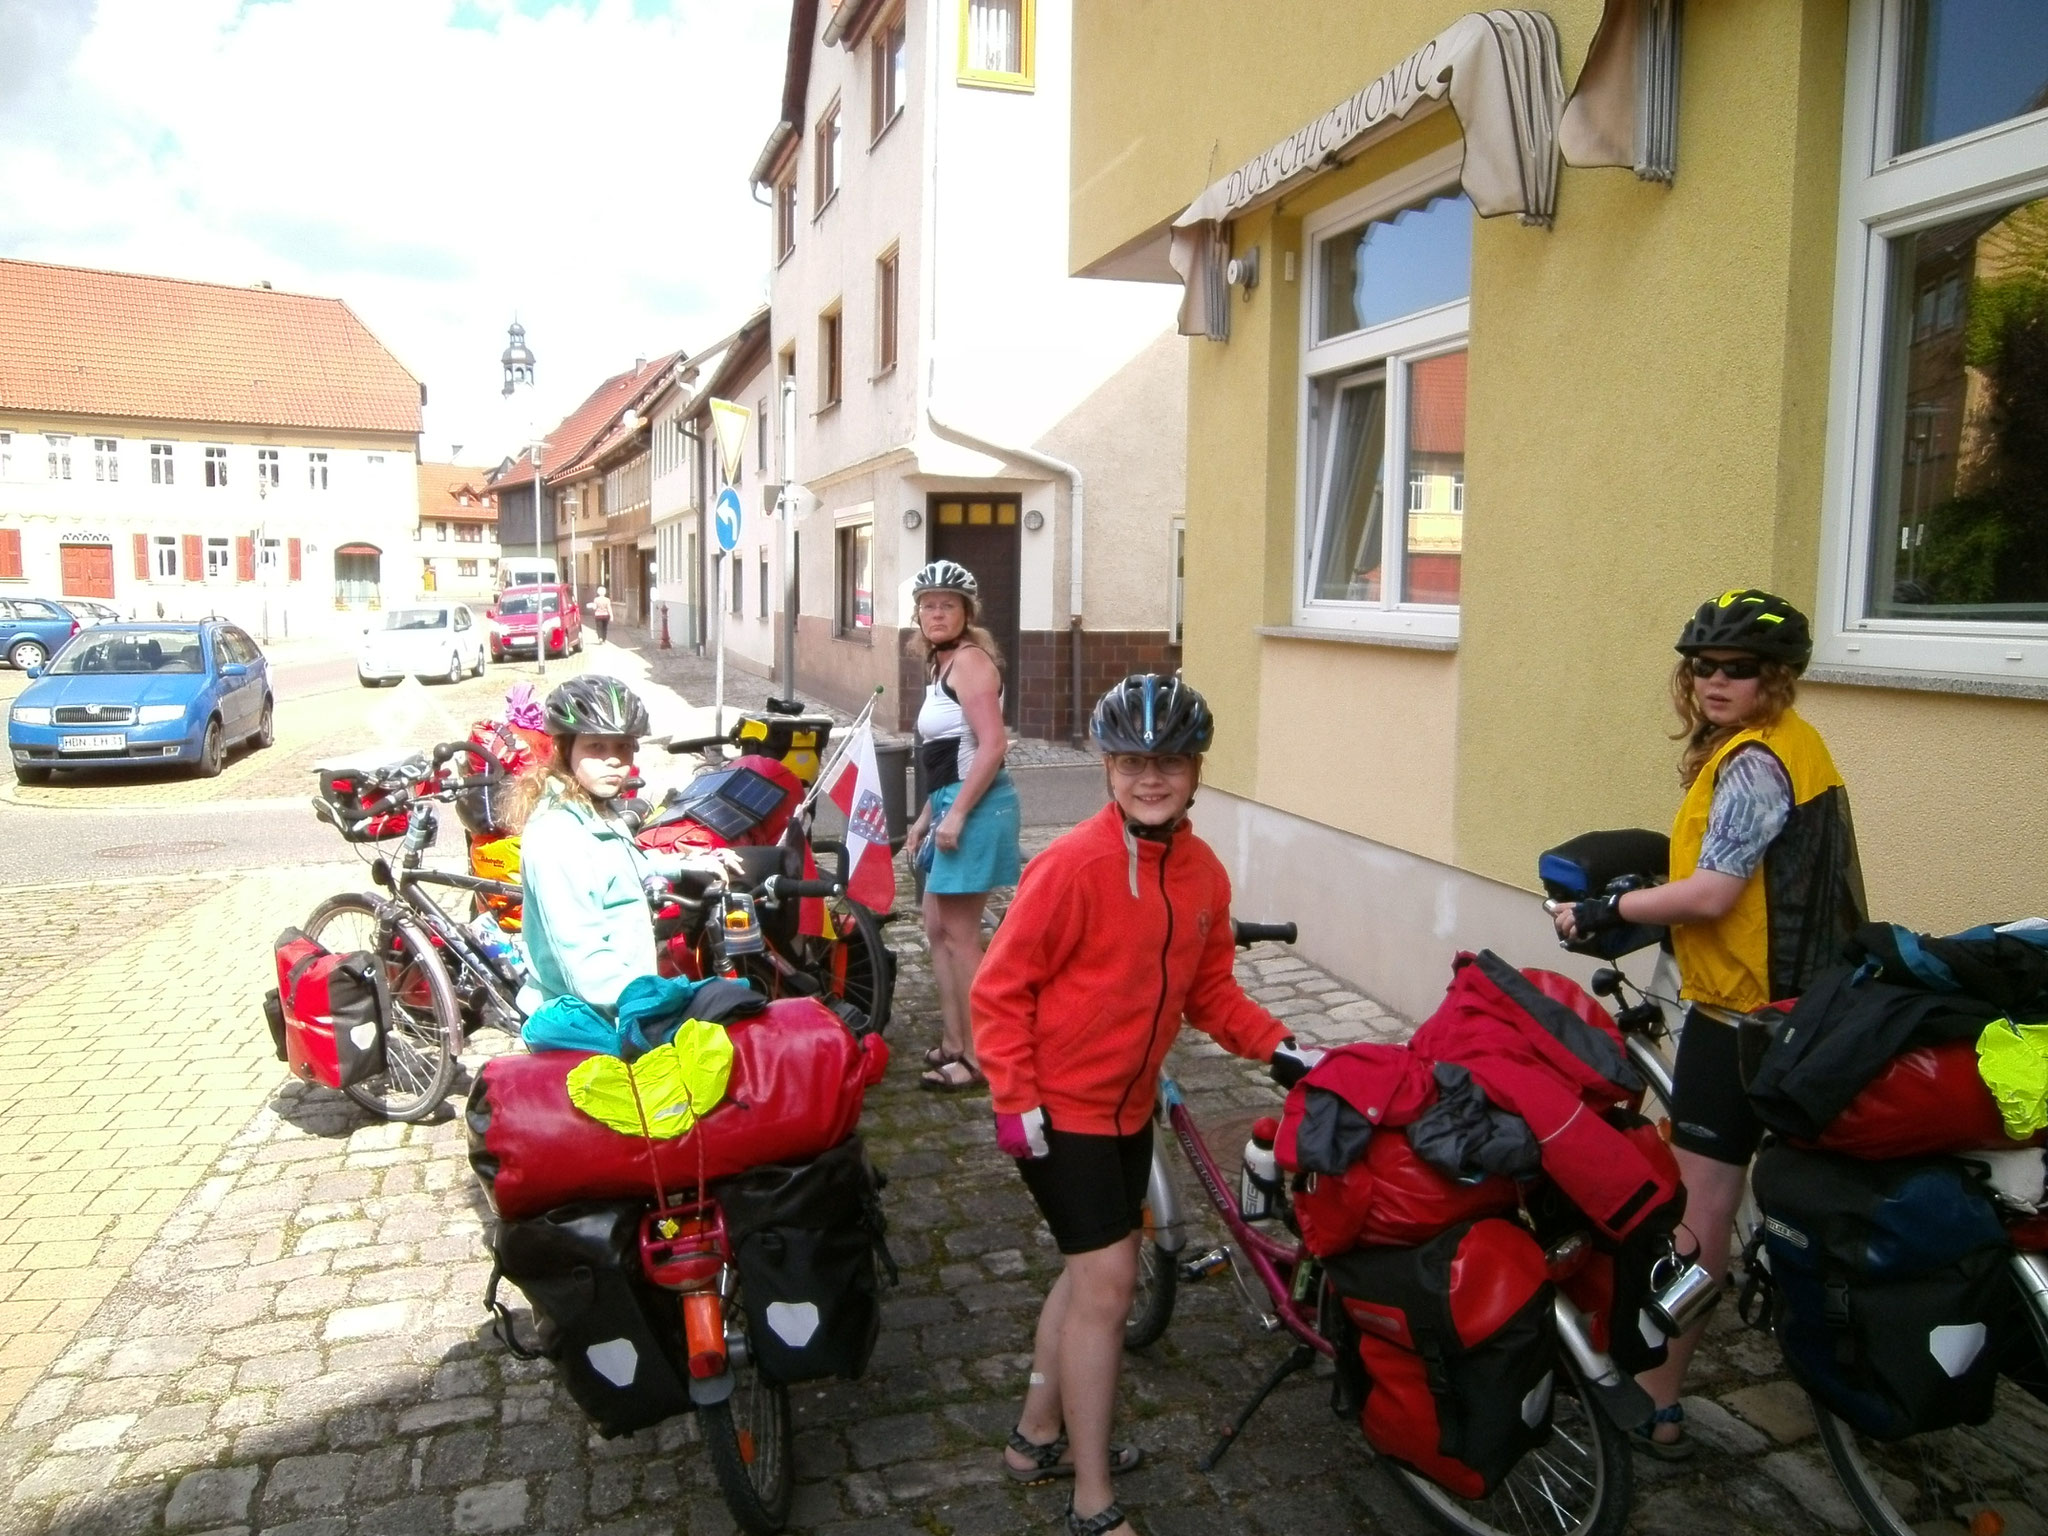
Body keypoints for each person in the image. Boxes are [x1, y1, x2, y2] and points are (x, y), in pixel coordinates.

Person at [973, 674, 1322, 1536]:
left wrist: (1279, 1044)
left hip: (1131, 1110)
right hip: (1059, 1111)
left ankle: (1035, 1437)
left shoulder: (1200, 872)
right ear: (1107, 767)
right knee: (1108, 1286)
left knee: (1086, 1277)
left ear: (1197, 769)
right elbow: (999, 988)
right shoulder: (1072, 866)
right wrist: (1014, 1099)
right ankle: (1092, 1500)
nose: (1150, 779)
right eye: (1132, 763)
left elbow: (1209, 993)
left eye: (1168, 762)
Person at [1554, 588, 1864, 1458]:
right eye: (1703, 667)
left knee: (1699, 1210)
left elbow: (1713, 893)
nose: (1717, 681)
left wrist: (1604, 911)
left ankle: (1657, 1400)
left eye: (1740, 669)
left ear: (1778, 678)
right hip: (1807, 1002)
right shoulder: (1793, 750)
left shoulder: (1755, 762)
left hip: (1744, 1017)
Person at [508, 674, 716, 1017]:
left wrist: (685, 864)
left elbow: (618, 865)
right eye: (596, 747)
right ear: (564, 749)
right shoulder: (558, 836)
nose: (614, 760)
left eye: (623, 746)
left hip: (620, 1006)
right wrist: (662, 1003)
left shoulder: (594, 810)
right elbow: (586, 963)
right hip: (593, 1022)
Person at [902, 559, 1022, 1090]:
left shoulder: (971, 664)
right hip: (952, 805)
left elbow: (992, 746)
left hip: (977, 809)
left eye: (947, 605)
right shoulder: (940, 666)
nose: (935, 613)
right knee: (936, 930)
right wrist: (925, 819)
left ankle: (980, 1057)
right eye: (928, 605)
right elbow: (946, 757)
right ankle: (954, 1040)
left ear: (966, 613)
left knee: (962, 936)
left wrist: (953, 816)